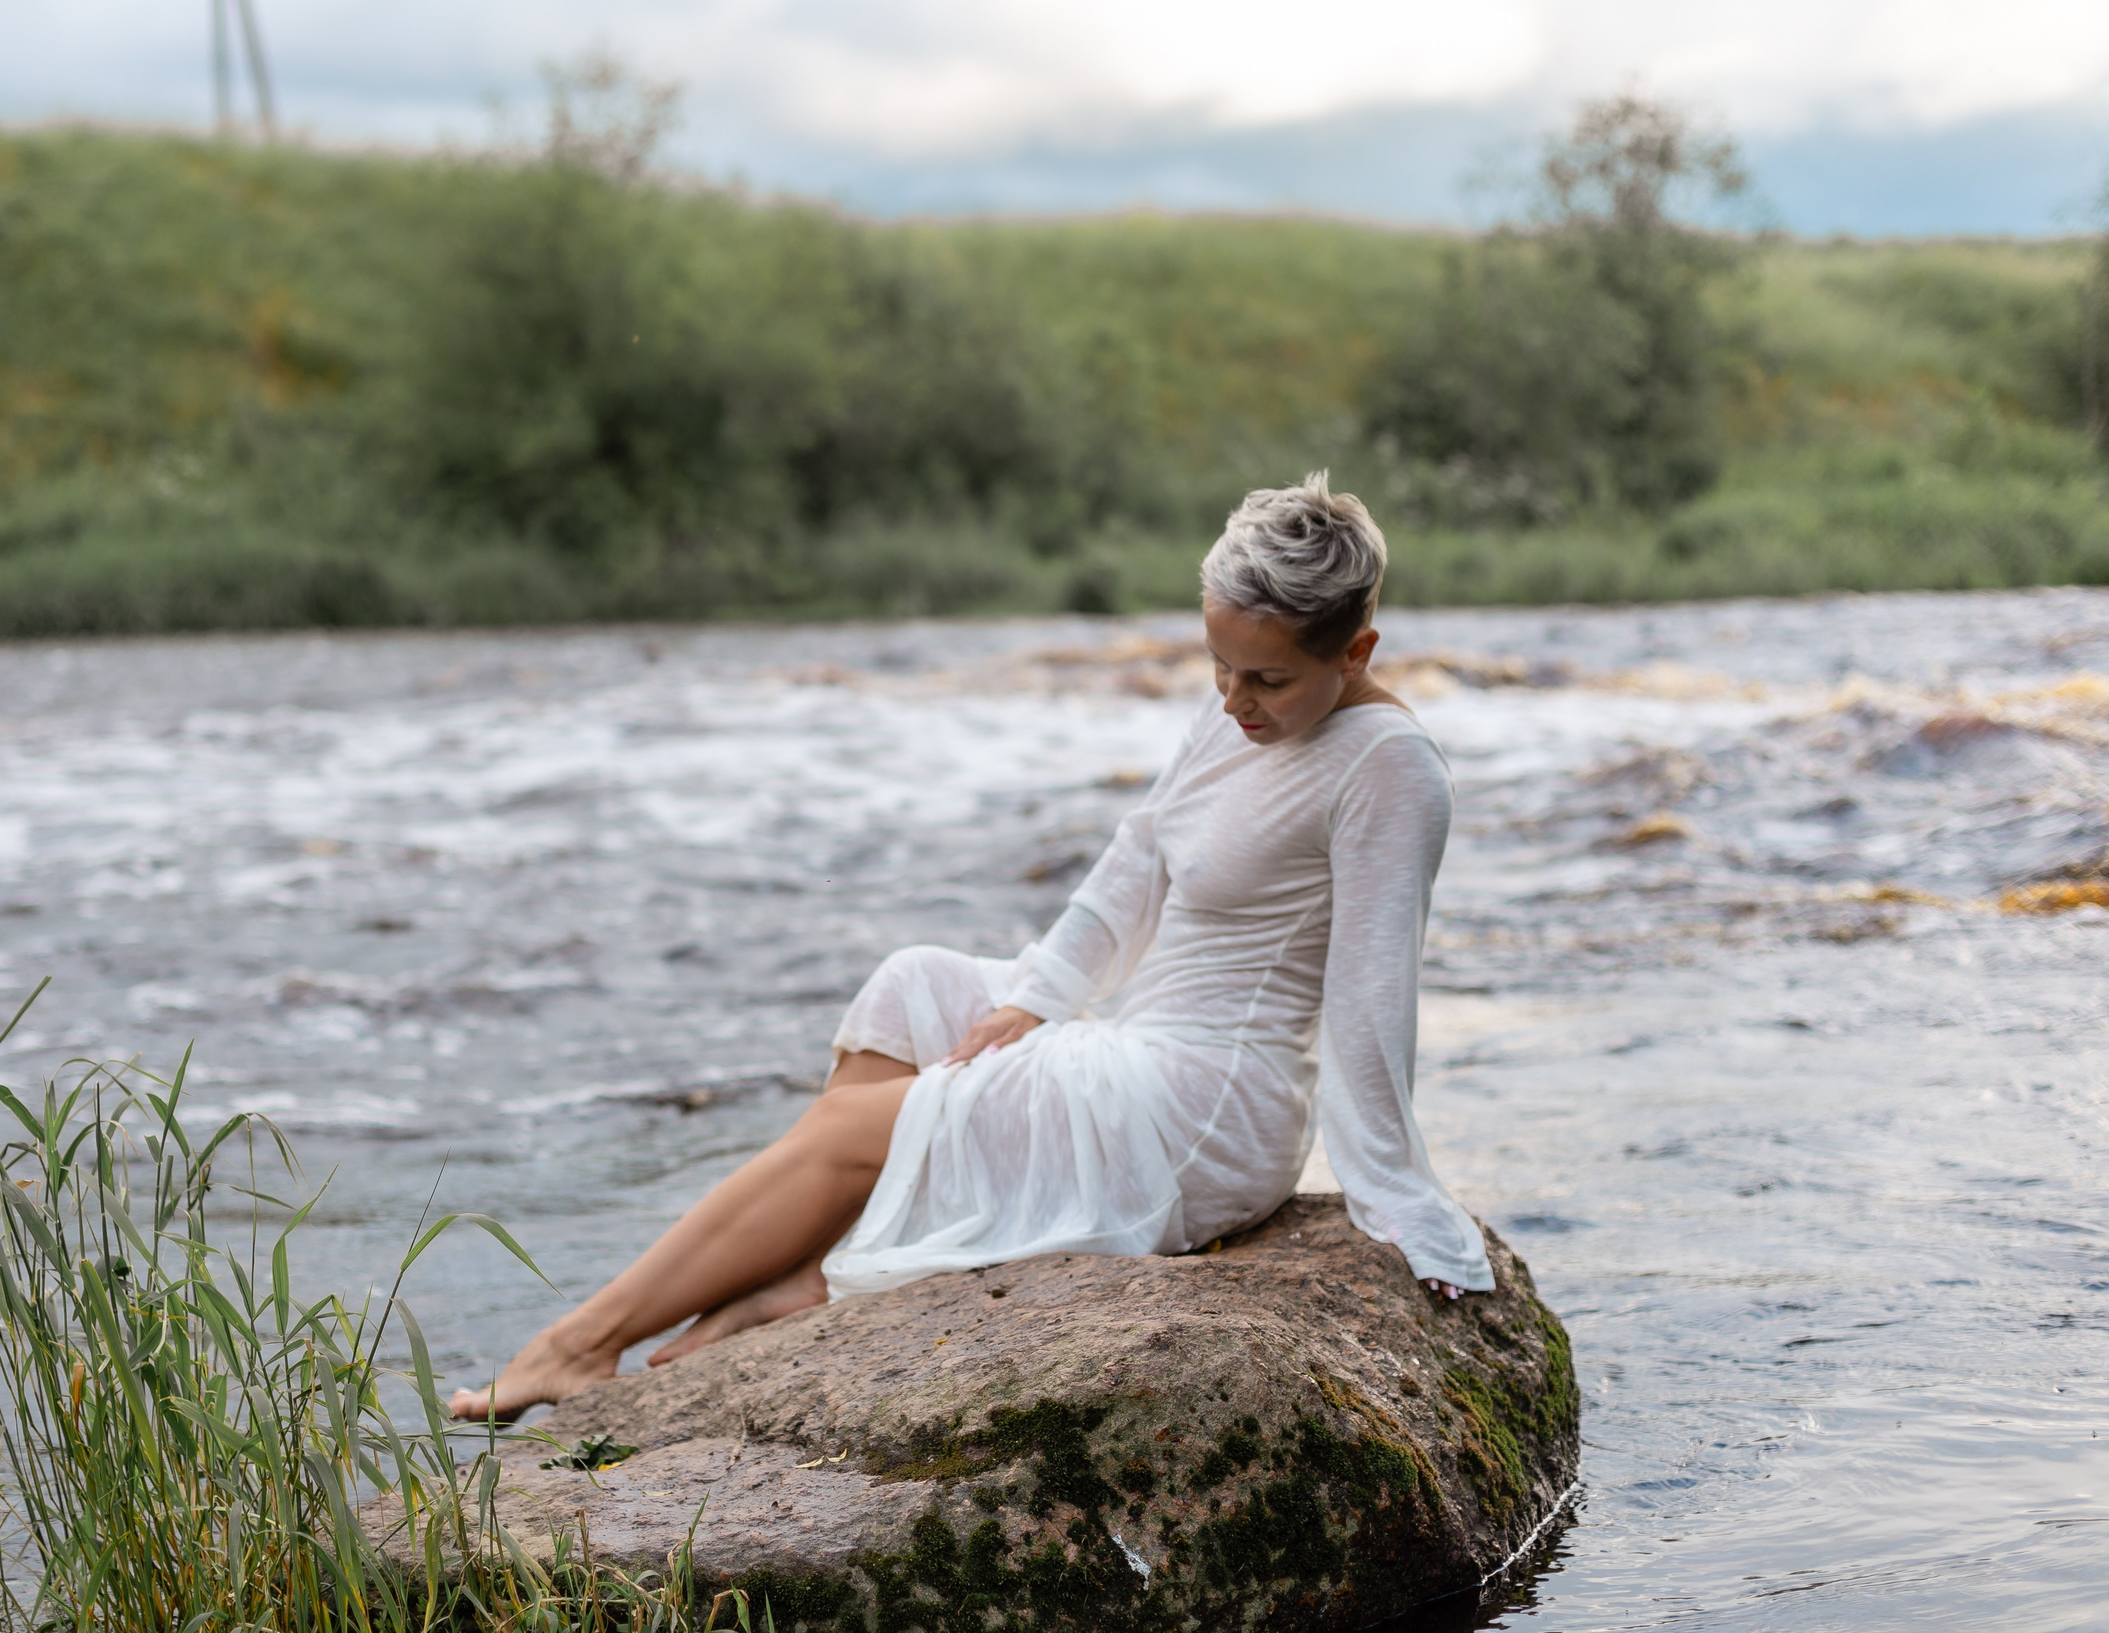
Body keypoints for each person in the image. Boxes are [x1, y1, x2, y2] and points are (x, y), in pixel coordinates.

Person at [449, 472, 1490, 1422]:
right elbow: (1136, 858)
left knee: (860, 1127)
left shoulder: (1390, 774)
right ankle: (808, 1277)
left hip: (1207, 1101)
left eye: (1262, 679)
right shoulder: (1241, 715)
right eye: (1215, 664)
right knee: (916, 988)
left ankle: (581, 1345)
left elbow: (1368, 996)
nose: (1231, 700)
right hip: (1135, 1041)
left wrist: (1396, 1194)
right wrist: (1036, 999)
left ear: (1355, 654)